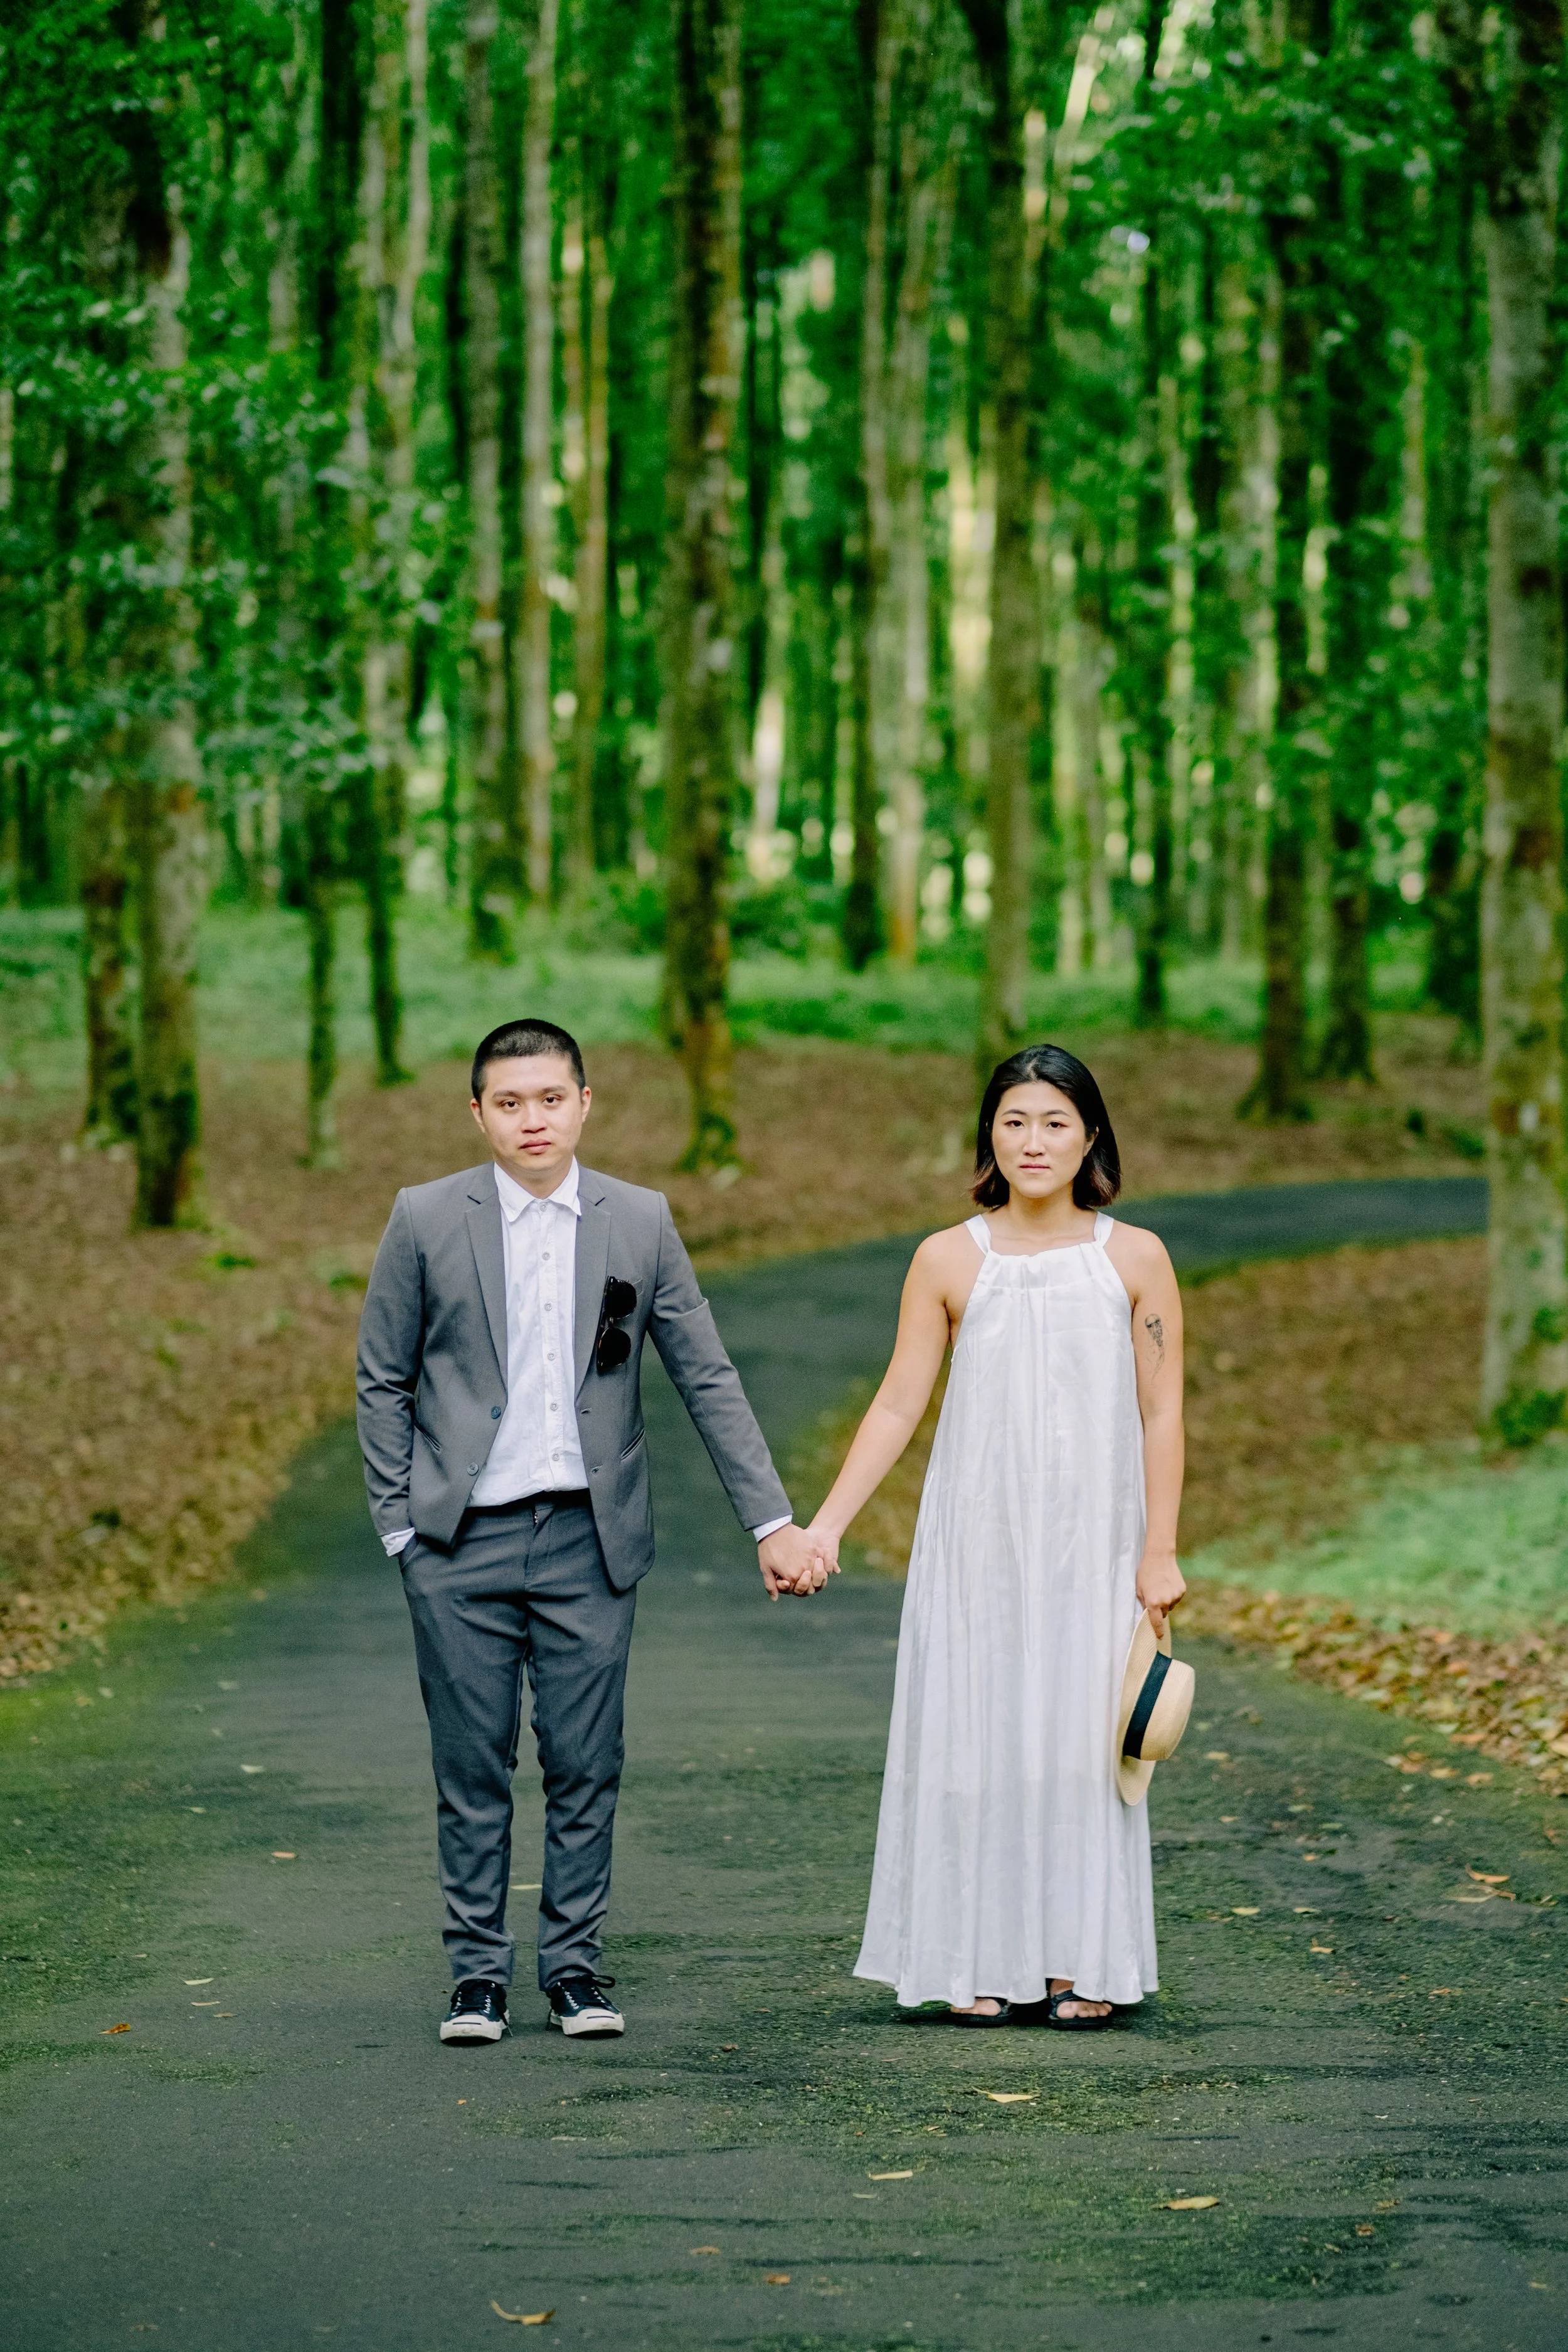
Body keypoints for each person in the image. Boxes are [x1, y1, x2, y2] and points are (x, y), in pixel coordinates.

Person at [356, 1019, 825, 2047]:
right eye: (509, 1102)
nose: (533, 1118)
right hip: (456, 1542)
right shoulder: (425, 1217)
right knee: (471, 1766)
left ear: (584, 1102)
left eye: (551, 1098)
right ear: (478, 1112)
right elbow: (382, 1376)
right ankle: (477, 1976)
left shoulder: (638, 1220)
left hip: (589, 1538)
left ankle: (572, 1967)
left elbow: (706, 1373)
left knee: (585, 1761)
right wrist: (400, 1527)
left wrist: (772, 1518)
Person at [807, 1043, 1185, 2028]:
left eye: (1055, 1122)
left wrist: (1159, 1549)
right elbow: (899, 1402)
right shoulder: (947, 1257)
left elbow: (1162, 1411)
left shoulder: (1135, 1257)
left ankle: (1077, 1962)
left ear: (1091, 1136)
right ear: (989, 1134)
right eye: (1014, 1121)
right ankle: (974, 1958)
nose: (1033, 1140)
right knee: (977, 1738)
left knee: (1078, 1744)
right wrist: (828, 1524)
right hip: (976, 1539)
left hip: (1094, 1540)